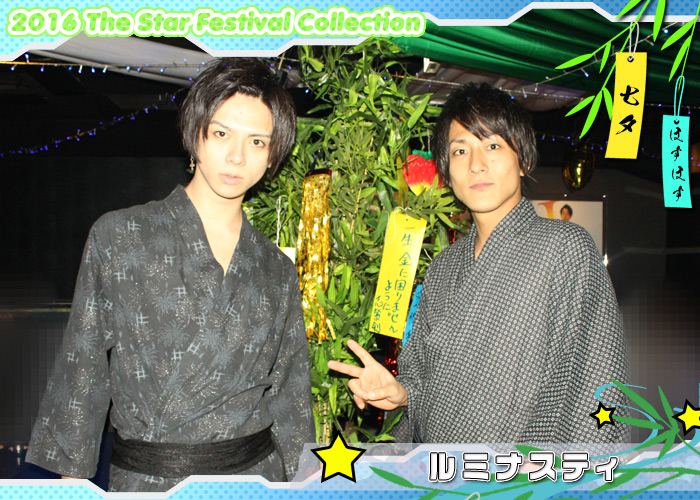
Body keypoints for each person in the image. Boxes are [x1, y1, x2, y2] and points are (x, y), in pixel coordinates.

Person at [26, 58, 315, 491]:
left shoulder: (276, 268)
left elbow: (291, 396)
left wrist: (306, 484)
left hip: (255, 481)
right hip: (149, 482)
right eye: (221, 134)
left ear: (274, 154)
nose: (237, 157)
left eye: (257, 142)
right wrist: (72, 484)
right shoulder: (120, 236)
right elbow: (83, 370)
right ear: (195, 132)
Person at [329, 83, 628, 445]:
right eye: (460, 150)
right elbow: (422, 375)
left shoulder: (565, 248)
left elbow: (598, 378)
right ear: (446, 172)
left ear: (524, 161)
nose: (476, 165)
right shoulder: (443, 267)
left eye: (493, 146)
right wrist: (401, 394)